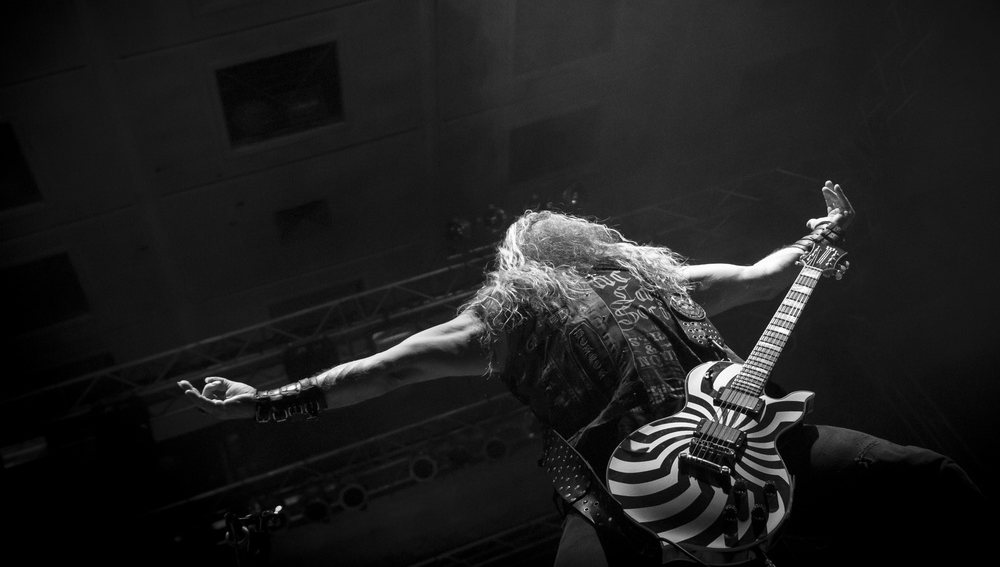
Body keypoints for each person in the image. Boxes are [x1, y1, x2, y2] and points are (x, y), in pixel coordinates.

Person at [179, 181, 986, 566]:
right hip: (623, 501)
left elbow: (758, 275)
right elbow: (385, 368)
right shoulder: (507, 318)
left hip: (758, 448)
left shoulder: (657, 277)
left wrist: (818, 239)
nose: (553, 228)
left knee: (928, 477)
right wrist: (266, 404)